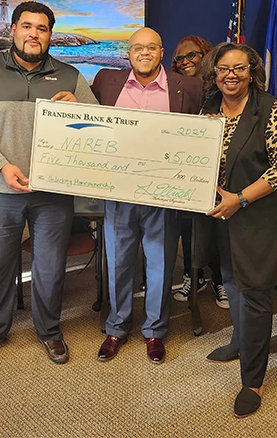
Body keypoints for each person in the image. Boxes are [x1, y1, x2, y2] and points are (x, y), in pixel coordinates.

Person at [0, 1, 99, 366]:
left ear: (50, 35)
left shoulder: (71, 76)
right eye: (27, 26)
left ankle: (49, 331)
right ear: (13, 30)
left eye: (42, 28)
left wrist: (80, 110)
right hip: (1, 188)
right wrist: (1, 166)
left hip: (52, 192)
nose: (34, 34)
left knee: (50, 266)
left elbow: (98, 128)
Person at [91, 27, 203, 364]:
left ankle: (155, 330)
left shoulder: (188, 87)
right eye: (137, 48)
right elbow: (89, 121)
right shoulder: (106, 82)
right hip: (118, 190)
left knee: (161, 264)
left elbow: (199, 130)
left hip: (163, 193)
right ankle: (117, 327)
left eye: (151, 47)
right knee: (118, 262)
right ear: (128, 53)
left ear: (161, 52)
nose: (144, 53)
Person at [196, 42, 277, 417]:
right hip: (220, 212)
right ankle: (239, 342)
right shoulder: (209, 106)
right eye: (224, 68)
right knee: (230, 279)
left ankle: (253, 380)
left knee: (254, 292)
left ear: (253, 72)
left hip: (257, 213)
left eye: (240, 68)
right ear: (215, 73)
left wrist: (240, 198)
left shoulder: (271, 109)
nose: (231, 75)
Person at [170, 35, 228, 310]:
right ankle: (192, 276)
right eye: (179, 58)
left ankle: (219, 279)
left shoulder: (221, 89)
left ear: (205, 55)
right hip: (184, 170)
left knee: (214, 228)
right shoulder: (175, 89)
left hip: (218, 173)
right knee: (187, 228)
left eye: (191, 55)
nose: (185, 62)